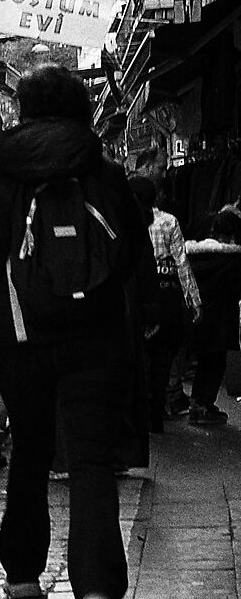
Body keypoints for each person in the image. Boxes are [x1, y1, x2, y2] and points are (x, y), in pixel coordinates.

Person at [0, 64, 155, 599]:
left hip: (22, 337)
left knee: (30, 447)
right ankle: (96, 589)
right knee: (91, 457)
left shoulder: (1, 175)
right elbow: (132, 253)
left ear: (23, 110)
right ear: (81, 110)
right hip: (96, 335)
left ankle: (24, 572)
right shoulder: (104, 172)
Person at [136, 177, 202, 428]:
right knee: (163, 355)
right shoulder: (169, 221)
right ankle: (157, 411)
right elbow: (182, 263)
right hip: (167, 294)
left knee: (142, 354)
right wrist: (194, 300)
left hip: (139, 294)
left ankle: (142, 410)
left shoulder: (126, 220)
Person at [185, 204, 241, 426]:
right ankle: (204, 405)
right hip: (221, 320)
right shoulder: (232, 260)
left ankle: (196, 403)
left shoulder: (195, 256)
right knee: (215, 364)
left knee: (203, 362)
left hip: (199, 318)